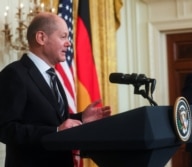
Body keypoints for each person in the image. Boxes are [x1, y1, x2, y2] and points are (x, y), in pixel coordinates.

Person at [0, 12, 111, 167]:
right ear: (41, 38)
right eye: (63, 36)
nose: (69, 43)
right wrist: (56, 131)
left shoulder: (53, 75)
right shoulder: (14, 74)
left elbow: (52, 119)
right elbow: (6, 129)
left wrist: (81, 119)